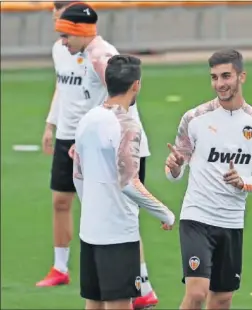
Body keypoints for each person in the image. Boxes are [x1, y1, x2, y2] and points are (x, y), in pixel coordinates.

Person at [39, 2, 159, 308]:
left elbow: (124, 101)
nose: (61, 41)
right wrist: (53, 125)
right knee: (90, 214)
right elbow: (64, 88)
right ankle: (78, 275)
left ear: (80, 31)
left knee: (121, 217)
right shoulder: (67, 52)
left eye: (66, 33)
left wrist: (104, 140)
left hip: (109, 150)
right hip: (82, 142)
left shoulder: (102, 57)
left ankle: (140, 286)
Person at [164, 49, 252, 310]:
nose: (219, 83)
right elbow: (173, 174)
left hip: (232, 221)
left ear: (241, 76)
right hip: (197, 218)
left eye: (226, 76)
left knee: (223, 298)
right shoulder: (194, 119)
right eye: (214, 77)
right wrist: (175, 167)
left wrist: (244, 182)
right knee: (197, 293)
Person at [72, 54, 175, 310]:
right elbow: (130, 182)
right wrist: (165, 214)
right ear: (136, 85)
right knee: (119, 303)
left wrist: (93, 208)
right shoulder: (129, 125)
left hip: (90, 230)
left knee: (93, 302)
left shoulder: (87, 119)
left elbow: (78, 175)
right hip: (118, 233)